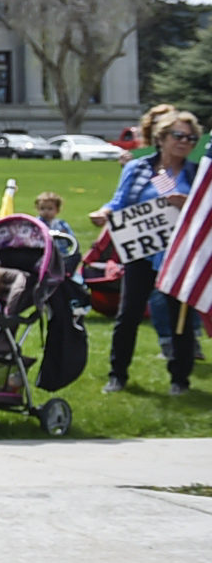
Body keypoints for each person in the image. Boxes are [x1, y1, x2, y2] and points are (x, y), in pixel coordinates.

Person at [91, 107, 202, 394]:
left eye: (190, 138)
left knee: (181, 318)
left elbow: (205, 211)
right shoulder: (140, 168)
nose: (184, 142)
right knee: (128, 314)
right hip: (141, 250)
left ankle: (180, 379)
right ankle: (118, 375)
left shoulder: (197, 172)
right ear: (161, 138)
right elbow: (119, 201)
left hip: (179, 256)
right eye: (178, 136)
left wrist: (186, 203)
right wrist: (104, 213)